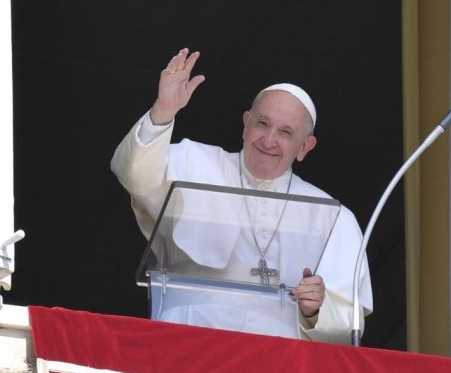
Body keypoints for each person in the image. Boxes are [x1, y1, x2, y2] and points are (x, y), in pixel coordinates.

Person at [112, 48, 372, 343]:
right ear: (246, 123)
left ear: (304, 147)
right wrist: (163, 111)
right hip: (189, 342)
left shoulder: (334, 218)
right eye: (262, 124)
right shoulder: (195, 163)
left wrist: (314, 312)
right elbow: (133, 173)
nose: (269, 140)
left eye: (285, 133)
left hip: (278, 364)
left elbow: (349, 326)